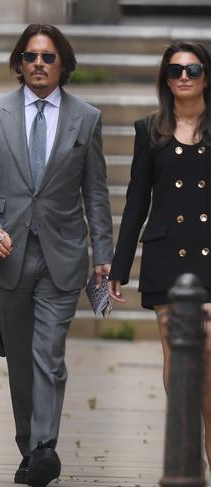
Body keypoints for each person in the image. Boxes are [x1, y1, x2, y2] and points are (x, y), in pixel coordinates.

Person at [0, 24, 113, 487]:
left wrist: (103, 254)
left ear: (63, 65)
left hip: (62, 256)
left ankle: (45, 448)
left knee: (49, 355)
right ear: (19, 63)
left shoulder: (86, 117)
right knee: (22, 361)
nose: (39, 65)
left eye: (48, 57)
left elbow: (96, 192)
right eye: (30, 57)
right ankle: (30, 446)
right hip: (8, 256)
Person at [108, 41, 211, 467]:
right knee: (174, 352)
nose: (184, 76)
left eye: (192, 68)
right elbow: (136, 203)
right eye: (175, 70)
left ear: (206, 74)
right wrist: (119, 266)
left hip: (208, 255)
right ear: (165, 79)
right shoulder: (148, 129)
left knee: (206, 349)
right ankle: (187, 445)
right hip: (166, 251)